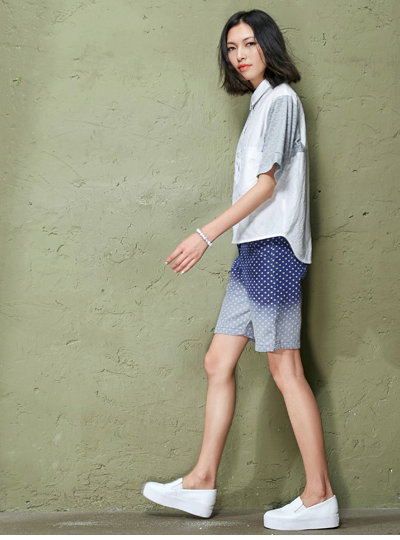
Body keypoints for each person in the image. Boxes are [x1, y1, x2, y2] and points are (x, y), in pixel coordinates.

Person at [142, 9, 338, 531]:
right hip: (251, 250)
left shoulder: (282, 101)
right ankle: (201, 482)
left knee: (285, 369)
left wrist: (204, 234)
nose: (240, 55)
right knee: (217, 361)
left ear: (268, 45)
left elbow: (266, 187)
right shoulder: (259, 106)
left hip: (274, 249)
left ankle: (319, 495)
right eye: (232, 48)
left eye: (249, 43)